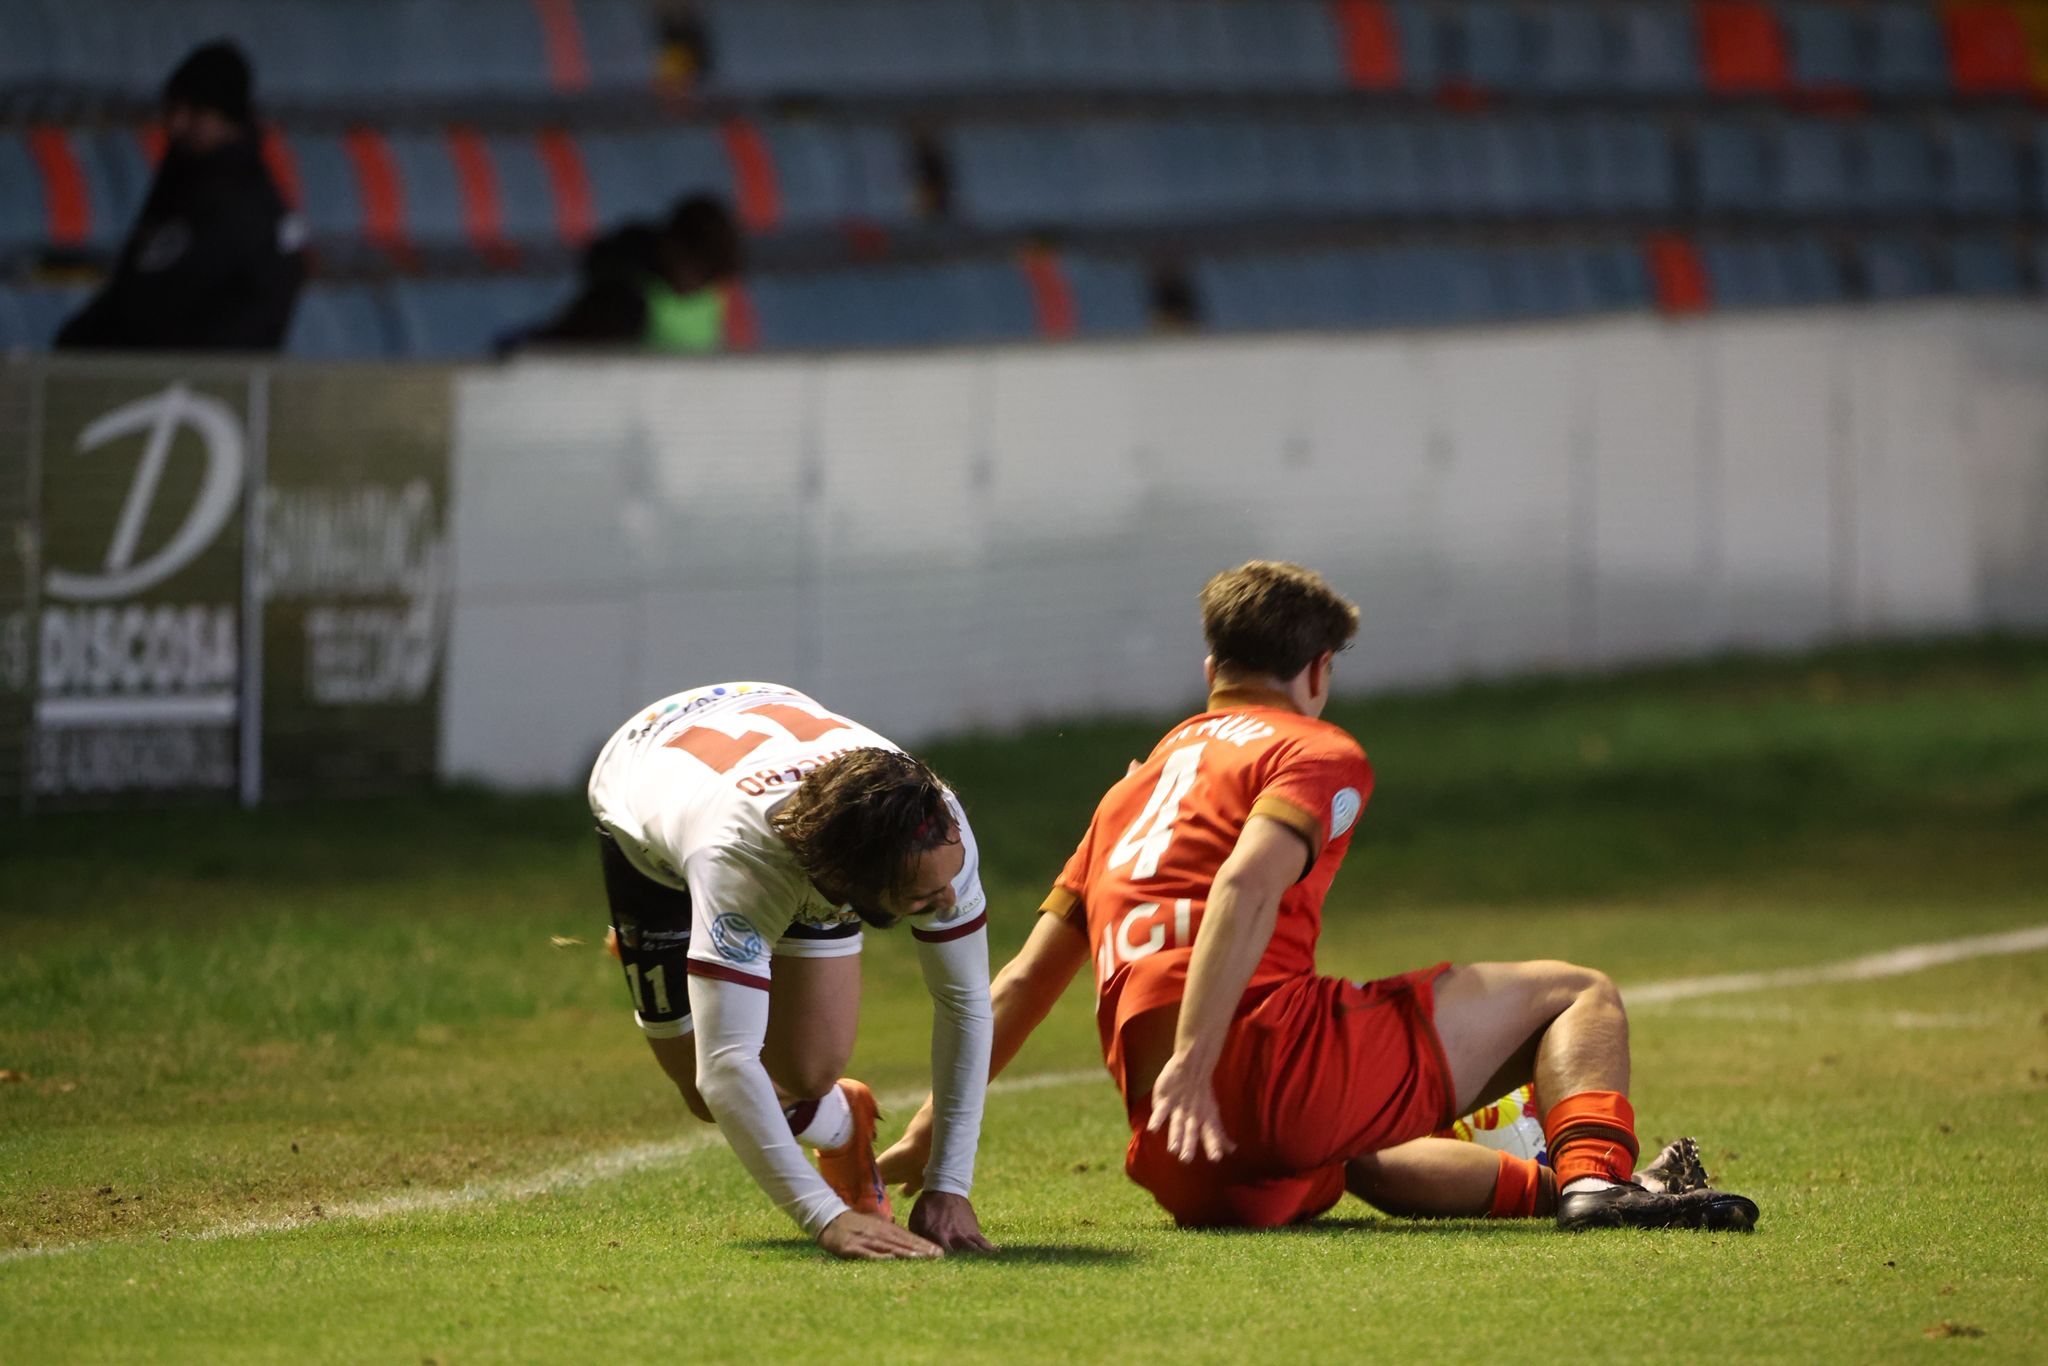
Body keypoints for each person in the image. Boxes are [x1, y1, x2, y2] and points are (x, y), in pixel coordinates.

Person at [881, 562, 1758, 1233]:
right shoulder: (1311, 748)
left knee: (1354, 1145)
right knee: (1577, 994)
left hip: (1183, 1162)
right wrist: (1198, 1054)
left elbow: (1022, 986)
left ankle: (1555, 1189)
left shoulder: (1132, 790)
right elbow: (1244, 882)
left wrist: (931, 1131)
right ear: (1318, 669)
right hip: (1254, 1078)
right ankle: (1598, 1184)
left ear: (1212, 664)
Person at [587, 681, 995, 1260]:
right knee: (708, 1096)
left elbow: (965, 1002)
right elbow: (726, 1068)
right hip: (647, 798)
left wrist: (949, 1185)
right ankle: (690, 947)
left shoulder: (936, 822)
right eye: (925, 897)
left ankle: (831, 1109)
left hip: (780, 802)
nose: (952, 900)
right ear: (853, 887)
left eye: (948, 880)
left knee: (808, 1072)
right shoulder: (742, 863)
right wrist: (824, 1217)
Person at [57, 41, 305, 352]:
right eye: (173, 109)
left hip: (198, 384)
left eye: (195, 112)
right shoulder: (179, 179)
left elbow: (250, 315)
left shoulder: (253, 207)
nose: (177, 124)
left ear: (227, 119)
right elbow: (133, 289)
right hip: (135, 373)